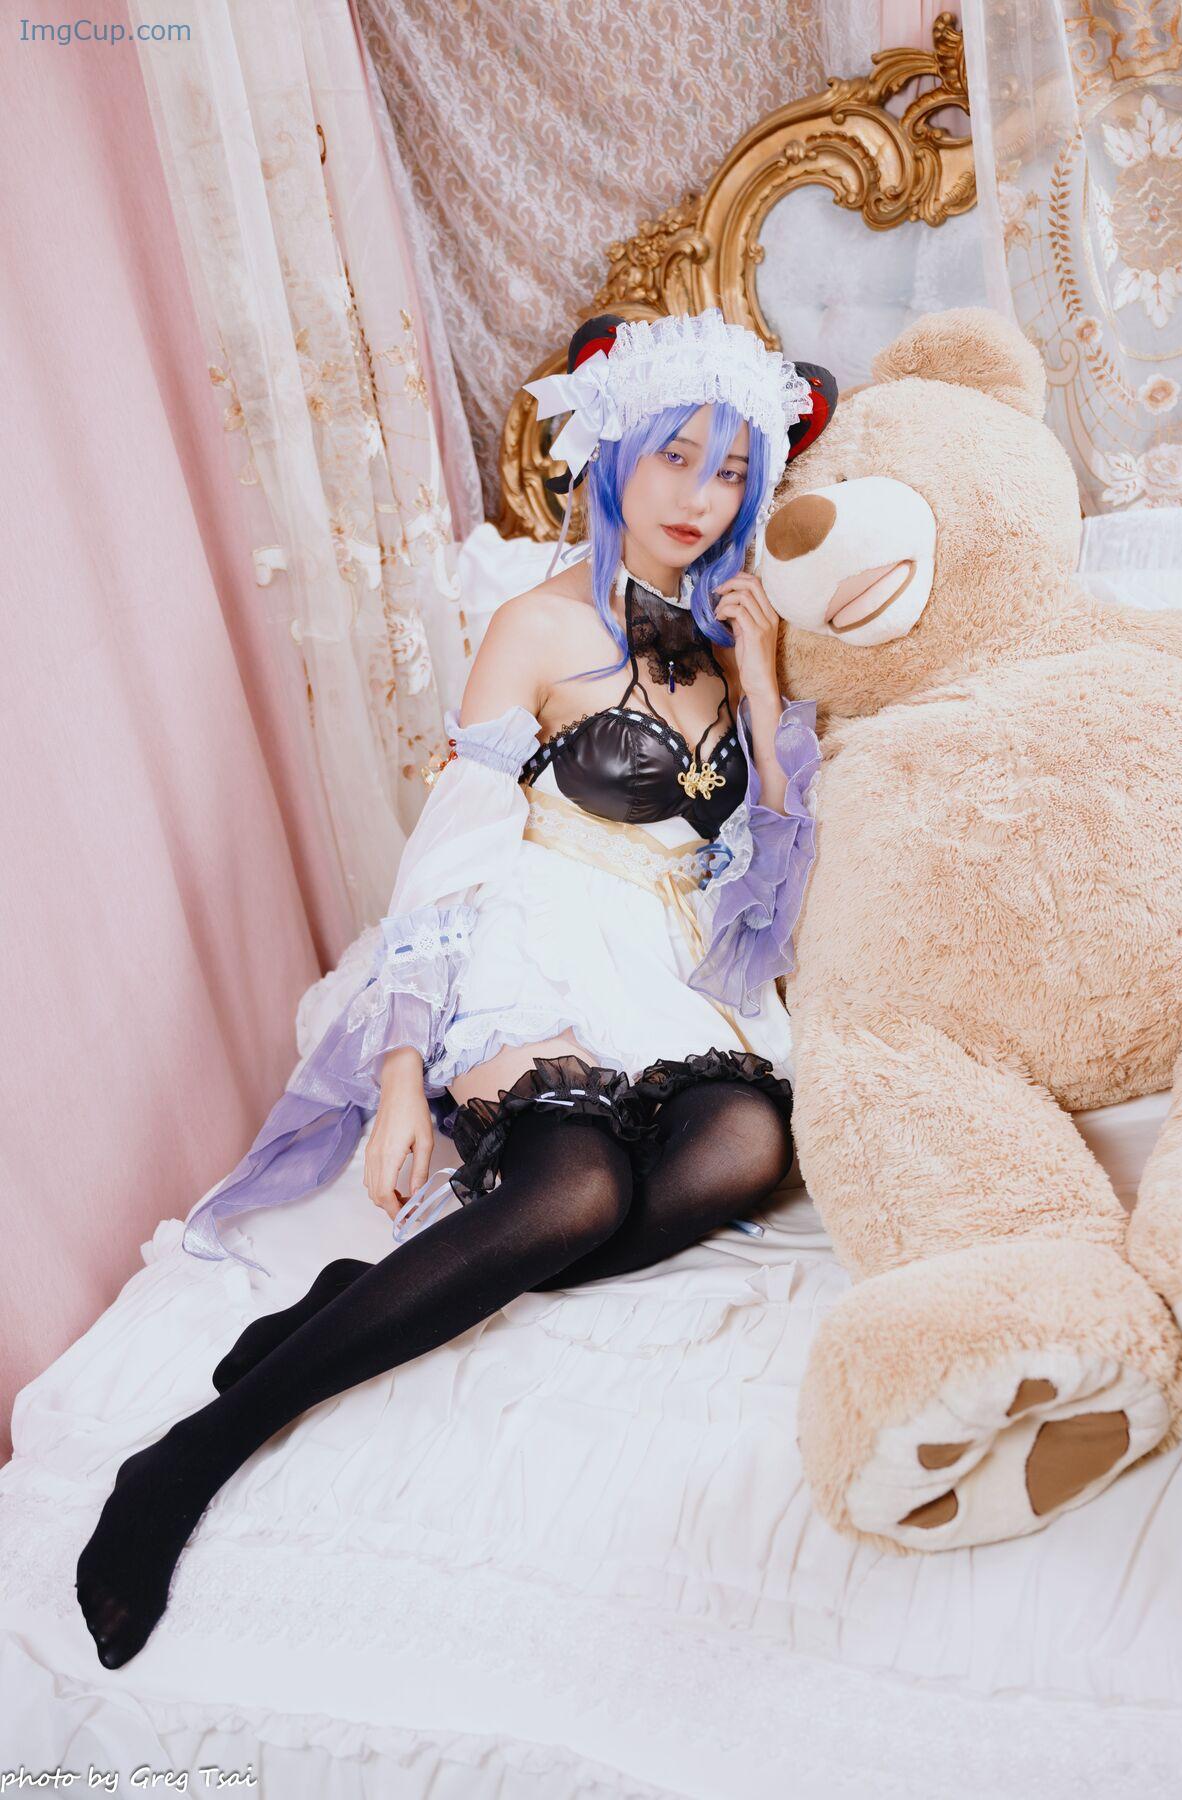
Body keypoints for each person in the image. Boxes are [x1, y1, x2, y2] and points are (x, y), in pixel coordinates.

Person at [75, 307, 835, 1669]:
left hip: (667, 973)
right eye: (676, 458)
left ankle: (360, 1293)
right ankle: (187, 1458)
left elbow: (769, 887)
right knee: (575, 1193)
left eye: (732, 472)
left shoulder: (733, 645)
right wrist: (394, 1080)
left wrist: (766, 685)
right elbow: (449, 860)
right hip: (534, 937)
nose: (701, 498)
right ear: (615, 456)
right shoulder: (535, 625)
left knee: (744, 1147)